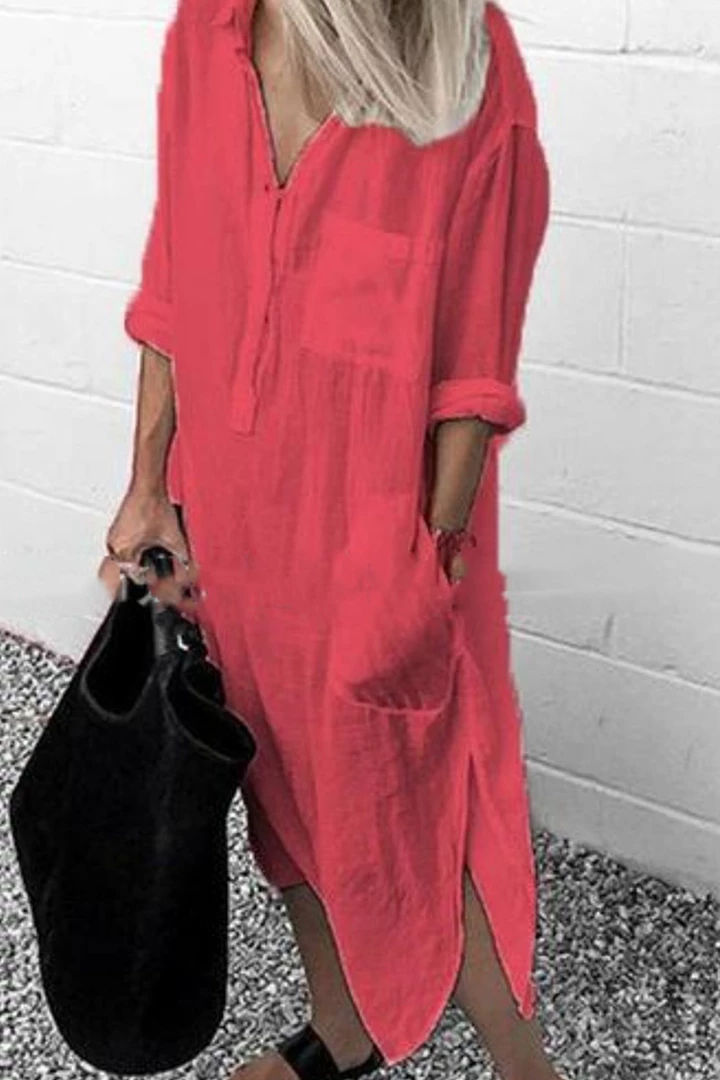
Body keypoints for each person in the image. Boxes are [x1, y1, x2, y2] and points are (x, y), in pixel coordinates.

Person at [98, 1, 558, 1078]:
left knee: (430, 817)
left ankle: (526, 1068)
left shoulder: (460, 56)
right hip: (232, 510)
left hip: (376, 536)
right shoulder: (211, 30)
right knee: (278, 779)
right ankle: (342, 1032)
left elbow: (473, 360)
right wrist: (149, 485)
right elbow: (176, 274)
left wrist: (430, 554)